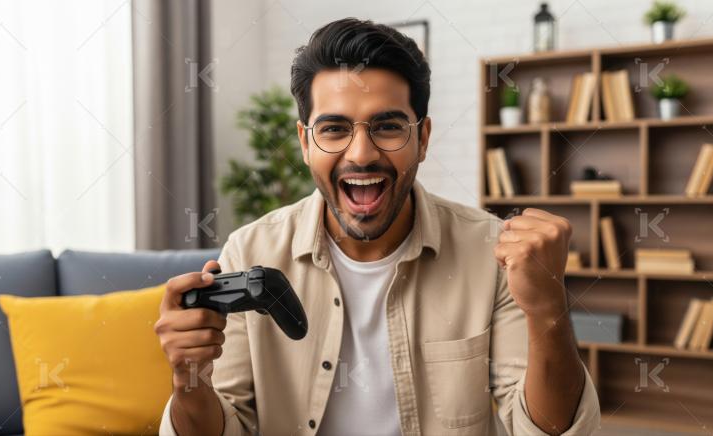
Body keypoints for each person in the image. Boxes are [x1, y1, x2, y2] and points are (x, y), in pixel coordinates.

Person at [155, 17, 600, 436]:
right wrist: (188, 380)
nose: (362, 154)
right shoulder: (250, 250)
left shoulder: (490, 253)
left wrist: (548, 313)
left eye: (388, 126)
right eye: (334, 129)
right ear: (305, 143)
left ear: (423, 138)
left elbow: (547, 430)